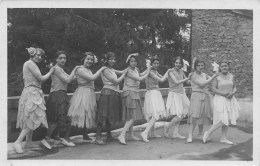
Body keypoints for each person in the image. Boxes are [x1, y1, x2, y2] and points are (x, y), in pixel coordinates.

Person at [13, 47, 54, 153]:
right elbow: (41, 78)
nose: (40, 57)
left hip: (34, 92)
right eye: (38, 55)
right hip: (32, 93)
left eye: (41, 56)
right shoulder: (30, 63)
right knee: (31, 118)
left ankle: (28, 142)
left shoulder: (30, 64)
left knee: (32, 117)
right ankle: (18, 142)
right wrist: (51, 71)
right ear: (32, 54)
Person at [40, 51, 79, 149]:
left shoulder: (61, 69)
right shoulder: (56, 69)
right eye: (60, 58)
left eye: (64, 58)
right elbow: (68, 80)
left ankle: (60, 137)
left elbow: (71, 77)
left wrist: (78, 73)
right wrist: (75, 69)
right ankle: (46, 138)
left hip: (62, 94)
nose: (63, 60)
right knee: (56, 119)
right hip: (57, 95)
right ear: (56, 59)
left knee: (64, 118)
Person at [68, 52, 106, 141]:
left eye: (91, 60)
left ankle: (85, 134)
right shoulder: (80, 69)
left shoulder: (88, 70)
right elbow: (91, 78)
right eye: (88, 59)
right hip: (82, 92)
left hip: (89, 93)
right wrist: (101, 69)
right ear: (83, 59)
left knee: (86, 114)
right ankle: (67, 136)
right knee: (78, 114)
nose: (89, 61)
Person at [203, 60, 240, 145]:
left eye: (225, 66)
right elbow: (213, 88)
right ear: (220, 68)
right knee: (223, 119)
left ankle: (223, 138)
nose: (224, 67)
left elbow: (235, 87)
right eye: (222, 66)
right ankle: (208, 132)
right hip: (220, 99)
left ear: (228, 67)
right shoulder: (217, 76)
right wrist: (224, 94)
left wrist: (233, 93)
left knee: (227, 118)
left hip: (230, 98)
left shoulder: (231, 76)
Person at [95, 52, 127, 145]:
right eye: (111, 59)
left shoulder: (111, 69)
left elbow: (121, 71)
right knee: (103, 114)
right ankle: (98, 137)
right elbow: (116, 81)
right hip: (107, 93)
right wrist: (124, 75)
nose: (113, 61)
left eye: (114, 59)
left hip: (113, 93)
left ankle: (109, 136)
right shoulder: (105, 69)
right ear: (106, 60)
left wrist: (127, 70)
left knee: (109, 115)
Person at [117, 53, 150, 145]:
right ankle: (122, 135)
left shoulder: (137, 69)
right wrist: (149, 71)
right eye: (131, 61)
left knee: (133, 116)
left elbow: (141, 74)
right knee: (131, 116)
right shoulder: (128, 71)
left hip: (135, 93)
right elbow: (140, 78)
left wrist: (148, 69)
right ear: (129, 62)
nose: (133, 63)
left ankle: (130, 134)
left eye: (135, 61)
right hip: (129, 93)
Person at [186, 59, 218, 143]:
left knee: (203, 116)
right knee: (194, 116)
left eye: (202, 65)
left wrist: (216, 72)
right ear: (195, 66)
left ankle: (200, 134)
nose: (200, 67)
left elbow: (212, 80)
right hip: (196, 96)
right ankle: (190, 135)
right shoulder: (193, 75)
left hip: (205, 96)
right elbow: (202, 84)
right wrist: (213, 77)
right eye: (198, 65)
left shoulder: (204, 74)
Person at [140, 55, 170, 142]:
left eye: (157, 63)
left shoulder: (154, 71)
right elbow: (162, 80)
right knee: (156, 115)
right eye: (155, 63)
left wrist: (172, 74)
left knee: (154, 114)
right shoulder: (150, 71)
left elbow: (163, 77)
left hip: (154, 93)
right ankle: (145, 132)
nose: (156, 64)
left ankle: (152, 132)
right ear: (152, 64)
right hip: (152, 93)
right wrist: (168, 71)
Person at [163, 56, 192, 139]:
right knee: (179, 115)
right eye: (176, 63)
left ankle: (175, 133)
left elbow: (187, 81)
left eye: (179, 63)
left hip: (182, 94)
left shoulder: (182, 71)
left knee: (184, 112)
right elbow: (176, 82)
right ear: (174, 63)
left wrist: (192, 78)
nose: (178, 64)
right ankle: (167, 127)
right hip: (174, 95)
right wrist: (187, 78)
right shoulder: (170, 71)